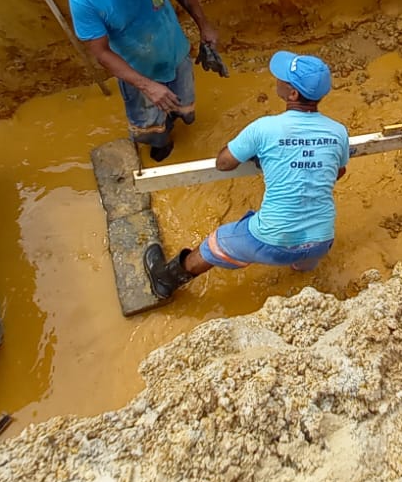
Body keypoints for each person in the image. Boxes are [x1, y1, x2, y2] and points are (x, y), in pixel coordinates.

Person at [144, 51, 350, 299]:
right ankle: (300, 270)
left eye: (282, 79)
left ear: (293, 94)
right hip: (321, 241)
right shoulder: (338, 132)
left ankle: (165, 280)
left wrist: (262, 156)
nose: (277, 79)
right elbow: (337, 172)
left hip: (273, 238)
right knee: (303, 255)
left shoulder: (264, 128)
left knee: (214, 244)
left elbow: (224, 163)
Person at [69, 0, 224, 162]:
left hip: (175, 53)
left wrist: (205, 25)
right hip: (137, 72)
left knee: (183, 106)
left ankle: (177, 124)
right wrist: (147, 86)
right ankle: (161, 142)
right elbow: (101, 53)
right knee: (150, 126)